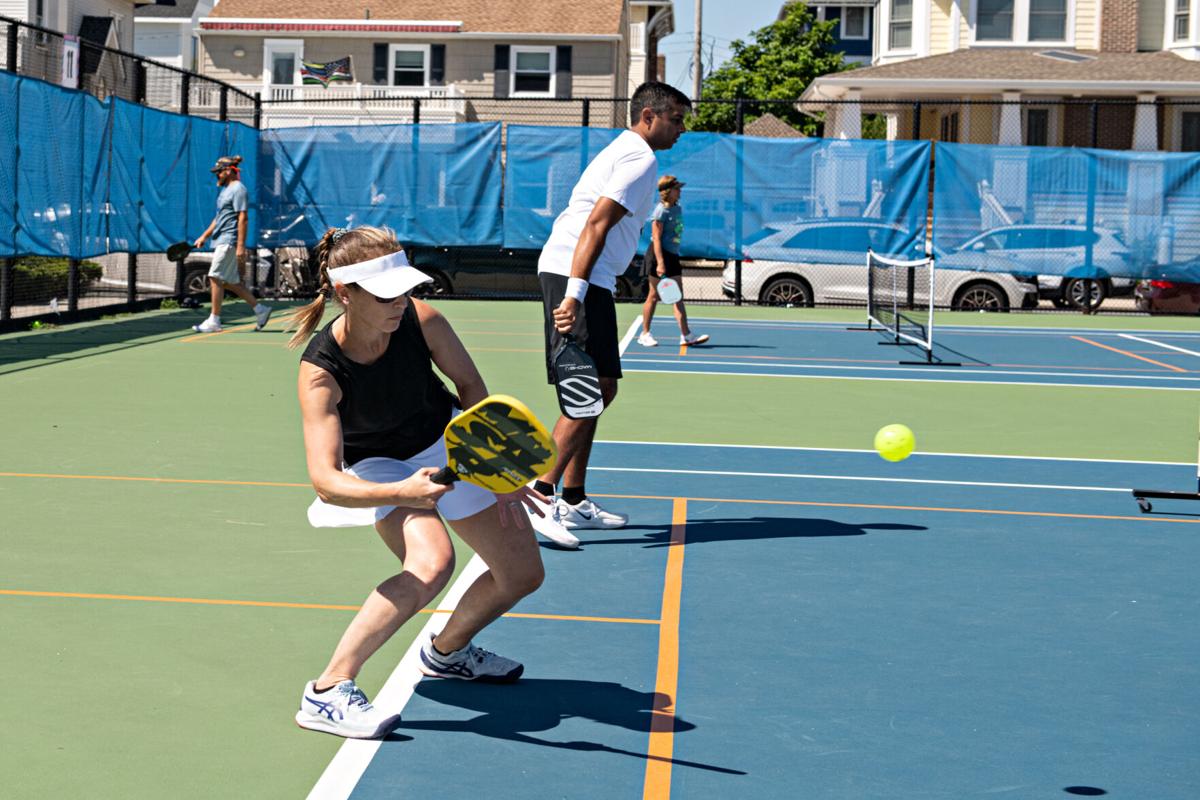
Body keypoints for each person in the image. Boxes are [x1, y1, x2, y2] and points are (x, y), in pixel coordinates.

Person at [287, 226, 549, 739]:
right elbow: (325, 482)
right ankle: (326, 691)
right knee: (431, 565)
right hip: (380, 464)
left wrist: (497, 463)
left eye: (405, 288)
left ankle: (447, 652)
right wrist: (402, 493)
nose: (400, 301)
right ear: (346, 294)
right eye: (387, 293)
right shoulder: (320, 372)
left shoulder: (421, 319)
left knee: (521, 574)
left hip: (448, 438)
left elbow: (469, 385)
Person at [530, 81, 691, 537]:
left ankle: (574, 497)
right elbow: (596, 224)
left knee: (601, 388)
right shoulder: (641, 159)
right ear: (648, 117)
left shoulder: (626, 151)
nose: (681, 129)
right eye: (675, 120)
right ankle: (539, 497)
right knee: (585, 393)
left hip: (587, 277)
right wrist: (573, 295)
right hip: (575, 274)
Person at [189, 155, 272, 333]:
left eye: (219, 172)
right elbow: (219, 218)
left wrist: (240, 246)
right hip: (221, 240)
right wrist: (204, 236)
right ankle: (260, 310)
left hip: (229, 240)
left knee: (214, 277)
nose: (217, 176)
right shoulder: (225, 191)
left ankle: (214, 320)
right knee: (229, 282)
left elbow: (242, 217)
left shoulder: (238, 189)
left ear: (228, 171)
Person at [637, 175, 708, 347]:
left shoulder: (678, 208)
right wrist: (660, 263)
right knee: (653, 296)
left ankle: (686, 335)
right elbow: (657, 238)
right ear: (668, 191)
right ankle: (644, 334)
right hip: (658, 256)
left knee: (677, 296)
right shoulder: (660, 211)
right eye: (677, 188)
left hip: (672, 256)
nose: (680, 191)